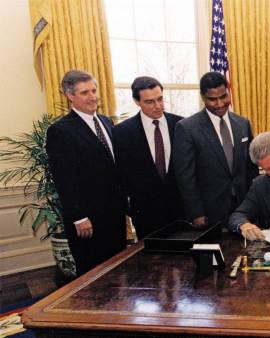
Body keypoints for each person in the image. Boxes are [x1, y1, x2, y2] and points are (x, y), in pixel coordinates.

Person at [46, 70, 127, 276]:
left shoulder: (106, 121)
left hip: (114, 215)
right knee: (92, 276)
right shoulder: (60, 131)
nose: (92, 97)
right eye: (84, 93)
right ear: (70, 95)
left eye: (93, 90)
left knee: (117, 271)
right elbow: (64, 179)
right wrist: (79, 217)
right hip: (87, 219)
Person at [172, 72, 259, 227]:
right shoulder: (187, 128)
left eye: (224, 96)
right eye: (212, 99)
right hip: (210, 211)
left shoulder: (243, 123)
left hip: (243, 208)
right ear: (203, 97)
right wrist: (196, 213)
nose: (219, 104)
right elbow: (185, 177)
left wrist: (254, 203)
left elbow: (251, 168)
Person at [113, 76, 184, 238]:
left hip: (180, 209)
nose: (158, 106)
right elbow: (121, 174)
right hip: (145, 213)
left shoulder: (181, 125)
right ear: (136, 101)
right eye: (150, 102)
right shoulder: (123, 132)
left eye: (160, 99)